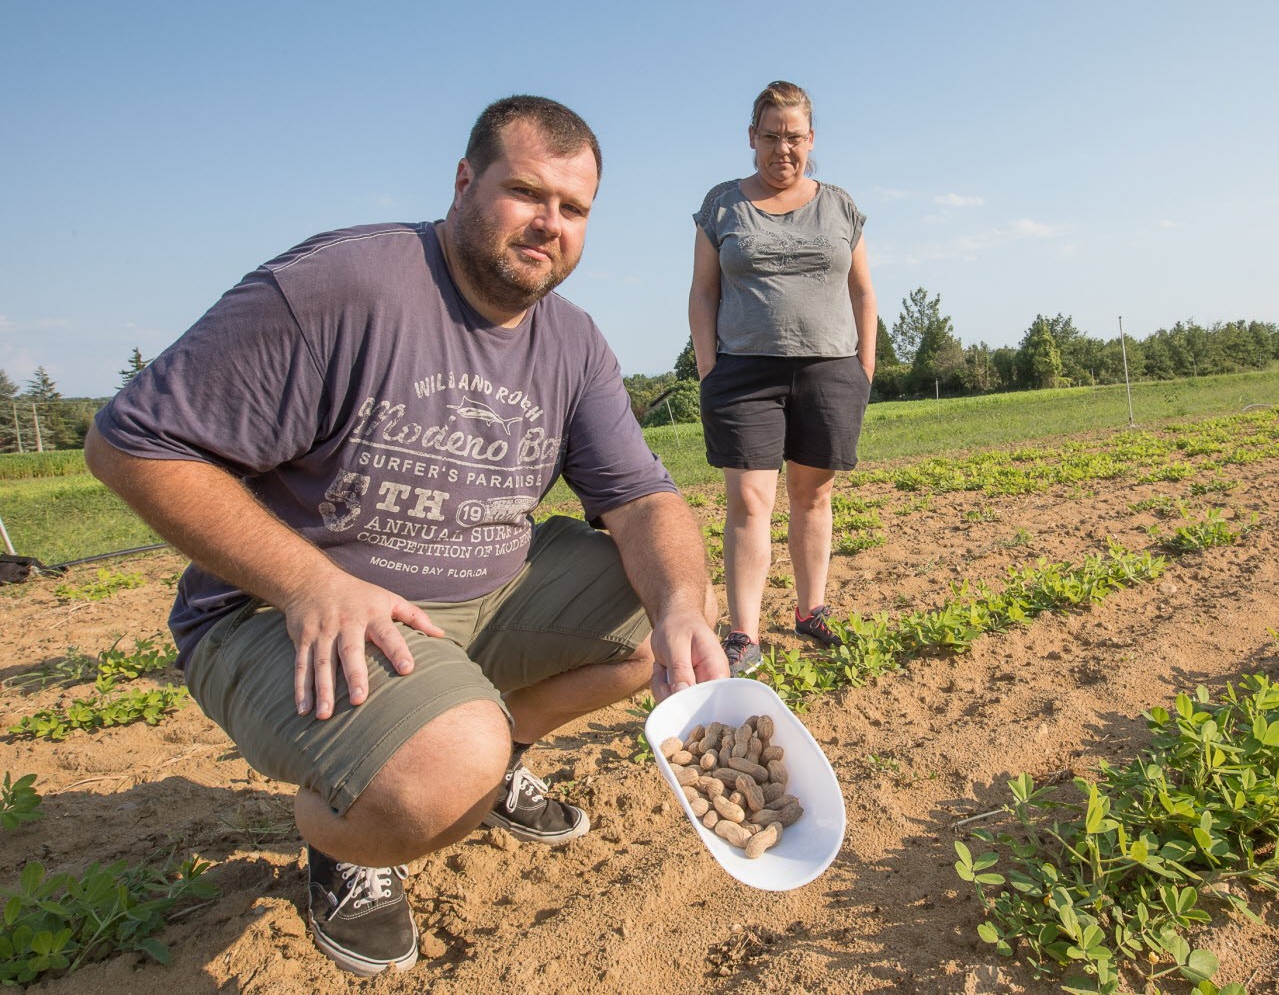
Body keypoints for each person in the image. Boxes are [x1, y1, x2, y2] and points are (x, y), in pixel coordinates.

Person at [86, 96, 727, 976]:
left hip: (486, 592)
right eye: (526, 193)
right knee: (443, 772)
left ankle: (490, 758)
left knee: (653, 618)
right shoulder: (341, 289)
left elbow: (644, 499)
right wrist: (312, 584)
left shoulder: (572, 343)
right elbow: (130, 443)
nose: (550, 225)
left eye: (573, 209)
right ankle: (351, 841)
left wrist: (684, 605)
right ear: (464, 182)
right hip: (280, 610)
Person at [688, 81, 877, 675]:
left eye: (794, 137)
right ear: (752, 138)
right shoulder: (723, 204)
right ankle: (744, 632)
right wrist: (708, 368)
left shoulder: (841, 206)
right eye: (770, 137)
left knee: (813, 493)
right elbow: (703, 292)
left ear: (811, 139)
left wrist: (864, 369)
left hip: (829, 368)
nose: (782, 150)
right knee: (748, 500)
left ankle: (810, 609)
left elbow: (863, 290)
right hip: (743, 374)